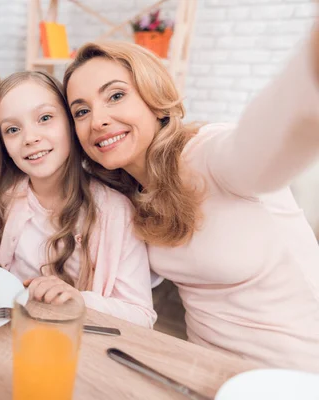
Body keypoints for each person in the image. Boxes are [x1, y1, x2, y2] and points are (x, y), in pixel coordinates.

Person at [63, 21, 319, 371]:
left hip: (299, 372)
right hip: (204, 371)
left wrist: (310, 67)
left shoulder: (209, 156)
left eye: (116, 96)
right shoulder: (127, 193)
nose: (98, 120)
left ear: (154, 100)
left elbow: (266, 142)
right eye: (81, 111)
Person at [0, 71, 156, 327]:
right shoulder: (4, 200)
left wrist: (77, 299)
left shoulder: (116, 211)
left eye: (45, 118)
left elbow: (142, 316)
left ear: (71, 124)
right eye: (13, 129)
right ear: (3, 143)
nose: (30, 138)